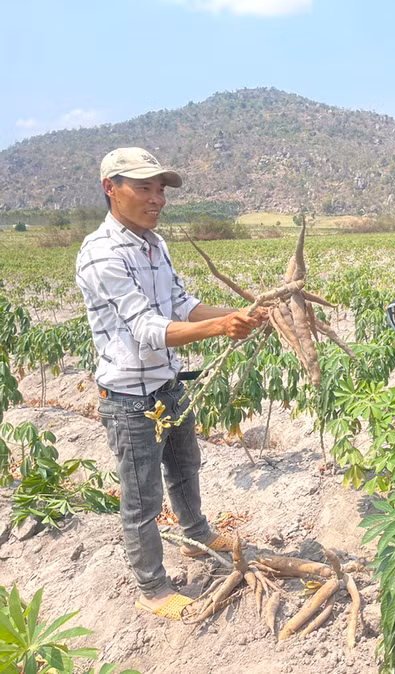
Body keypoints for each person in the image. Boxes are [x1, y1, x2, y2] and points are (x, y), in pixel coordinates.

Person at [75, 148, 267, 620]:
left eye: (160, 189)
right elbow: (146, 327)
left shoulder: (154, 245)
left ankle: (196, 534)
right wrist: (221, 328)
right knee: (142, 498)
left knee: (185, 466)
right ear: (110, 188)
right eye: (144, 187)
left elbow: (182, 305)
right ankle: (153, 588)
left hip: (167, 382)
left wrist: (242, 313)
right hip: (129, 397)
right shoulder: (101, 253)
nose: (157, 198)